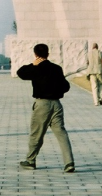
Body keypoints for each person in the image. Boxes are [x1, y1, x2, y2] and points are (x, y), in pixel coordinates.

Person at [17, 43, 75, 172]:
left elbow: (20, 73)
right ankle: (69, 162)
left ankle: (31, 161)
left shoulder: (35, 68)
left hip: (42, 104)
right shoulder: (56, 68)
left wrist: (33, 65)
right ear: (48, 54)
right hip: (56, 104)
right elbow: (66, 86)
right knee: (61, 133)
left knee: (36, 134)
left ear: (35, 55)